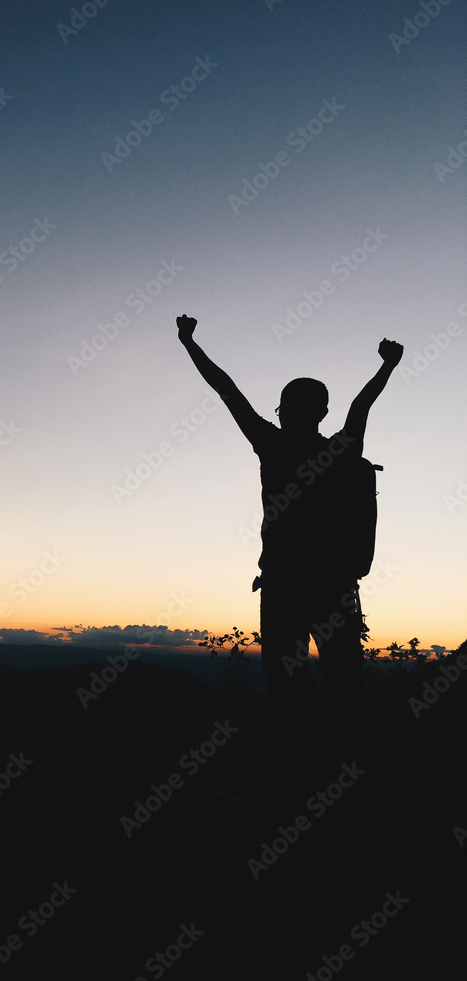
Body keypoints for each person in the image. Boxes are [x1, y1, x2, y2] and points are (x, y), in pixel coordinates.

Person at [176, 314, 403, 775]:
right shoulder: (342, 450)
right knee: (346, 685)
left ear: (283, 410)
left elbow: (227, 390)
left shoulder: (271, 445)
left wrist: (188, 341)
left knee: (286, 689)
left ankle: (285, 781)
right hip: (335, 589)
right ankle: (365, 777)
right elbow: (362, 404)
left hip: (285, 589)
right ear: (322, 413)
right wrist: (387, 366)